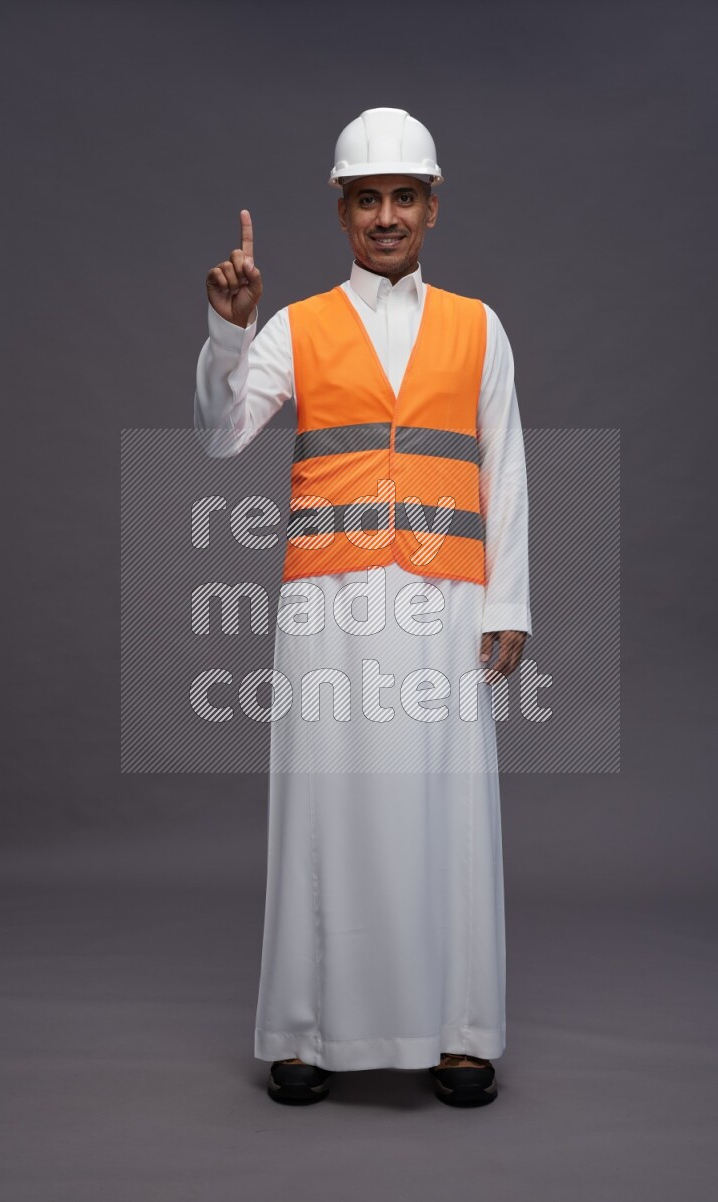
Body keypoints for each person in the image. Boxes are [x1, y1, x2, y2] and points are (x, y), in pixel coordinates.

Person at [194, 108, 532, 1107]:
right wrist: (229, 328)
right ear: (341, 210)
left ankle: (459, 1031)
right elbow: (220, 437)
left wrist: (506, 600)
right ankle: (305, 1030)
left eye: (402, 196)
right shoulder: (294, 325)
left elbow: (504, 468)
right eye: (365, 198)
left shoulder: (479, 325)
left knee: (449, 809)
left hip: (444, 600)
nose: (384, 215)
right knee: (322, 804)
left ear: (430, 205)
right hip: (327, 603)